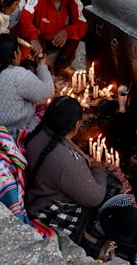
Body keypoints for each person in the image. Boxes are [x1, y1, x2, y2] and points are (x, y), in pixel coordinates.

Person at [24, 96, 107, 245]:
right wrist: (98, 170)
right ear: (76, 126)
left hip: (35, 197)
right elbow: (94, 197)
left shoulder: (38, 134)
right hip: (48, 213)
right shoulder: (67, 164)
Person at [15, 0, 94, 79]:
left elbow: (82, 24)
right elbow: (25, 18)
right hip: (40, 37)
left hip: (58, 39)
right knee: (35, 50)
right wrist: (33, 37)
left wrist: (67, 31)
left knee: (76, 35)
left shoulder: (73, 0)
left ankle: (63, 66)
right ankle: (43, 67)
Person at [0, 33, 54, 139]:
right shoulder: (19, 75)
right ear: (15, 54)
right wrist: (42, 66)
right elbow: (48, 91)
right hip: (13, 135)